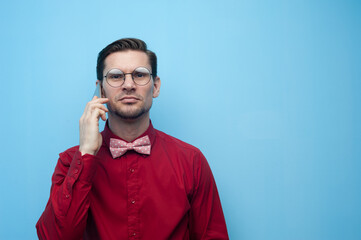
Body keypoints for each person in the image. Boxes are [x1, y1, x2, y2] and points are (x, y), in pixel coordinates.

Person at [36, 38, 229, 240]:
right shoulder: (70, 162)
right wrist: (85, 154)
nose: (129, 85)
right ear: (100, 89)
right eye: (116, 76)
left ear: (155, 87)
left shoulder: (191, 161)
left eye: (139, 75)